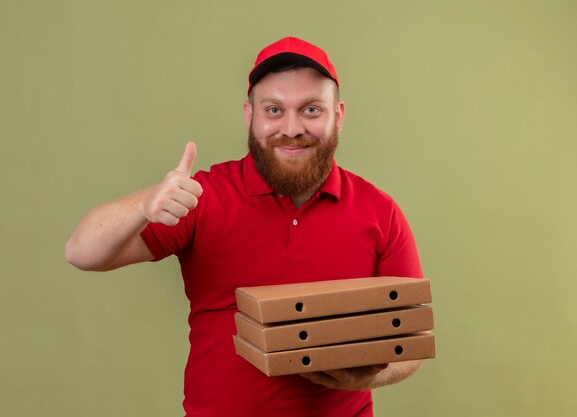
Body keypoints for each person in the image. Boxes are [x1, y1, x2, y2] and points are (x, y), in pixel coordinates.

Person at [65, 36, 424, 417]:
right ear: (250, 116)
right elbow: (82, 253)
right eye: (273, 110)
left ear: (338, 115)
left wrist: (365, 377)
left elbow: (413, 338)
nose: (291, 127)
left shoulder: (379, 211)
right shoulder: (203, 196)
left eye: (311, 110)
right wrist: (145, 203)